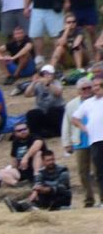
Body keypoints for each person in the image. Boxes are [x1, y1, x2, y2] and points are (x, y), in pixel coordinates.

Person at [60, 78, 95, 207]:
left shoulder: (98, 102)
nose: (86, 91)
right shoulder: (71, 105)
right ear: (78, 91)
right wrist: (67, 143)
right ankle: (89, 199)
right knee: (82, 172)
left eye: (88, 88)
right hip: (80, 142)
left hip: (97, 140)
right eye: (83, 88)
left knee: (99, 171)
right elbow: (66, 124)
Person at [4, 148, 71, 212]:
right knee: (36, 193)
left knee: (60, 191)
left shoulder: (63, 170)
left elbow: (62, 186)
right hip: (47, 197)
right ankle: (21, 206)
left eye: (52, 159)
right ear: (43, 162)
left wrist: (47, 189)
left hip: (61, 197)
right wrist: (36, 190)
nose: (51, 162)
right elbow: (38, 182)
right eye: (48, 160)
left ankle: (31, 207)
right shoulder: (41, 172)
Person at [71, 76, 103, 206]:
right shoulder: (88, 103)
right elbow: (75, 118)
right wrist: (84, 128)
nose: (97, 88)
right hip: (96, 140)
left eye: (99, 85)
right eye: (95, 86)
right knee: (100, 172)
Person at [23, 64, 65, 138]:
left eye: (49, 74)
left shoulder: (56, 83)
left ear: (53, 75)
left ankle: (56, 131)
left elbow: (58, 93)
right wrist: (33, 82)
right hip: (42, 111)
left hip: (56, 110)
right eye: (44, 74)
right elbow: (27, 94)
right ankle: (35, 133)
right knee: (32, 113)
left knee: (53, 111)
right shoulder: (39, 85)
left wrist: (48, 84)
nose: (46, 76)